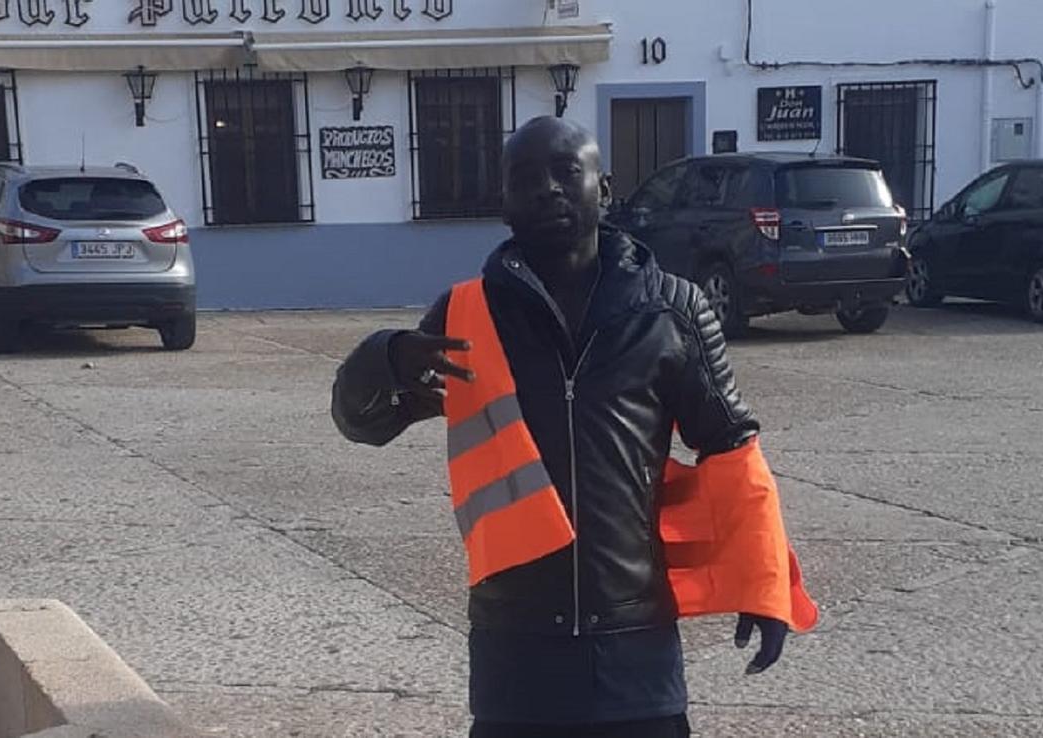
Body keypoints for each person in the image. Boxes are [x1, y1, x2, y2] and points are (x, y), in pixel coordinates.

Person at [332, 116, 811, 738]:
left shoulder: (674, 309)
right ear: (503, 202)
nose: (549, 189)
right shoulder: (464, 314)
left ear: (603, 189)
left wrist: (764, 581)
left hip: (634, 650)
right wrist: (385, 356)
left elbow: (731, 448)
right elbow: (359, 424)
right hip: (514, 652)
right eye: (526, 178)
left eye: (566, 172)